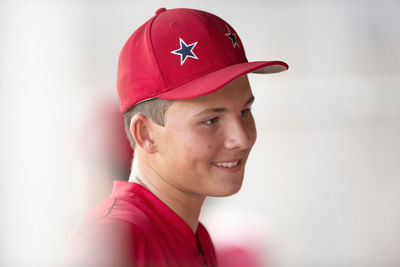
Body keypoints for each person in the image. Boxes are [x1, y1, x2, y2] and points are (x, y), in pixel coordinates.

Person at [62, 7, 288, 267]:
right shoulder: (113, 238)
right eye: (211, 120)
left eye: (245, 111)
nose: (242, 138)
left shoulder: (195, 234)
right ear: (145, 134)